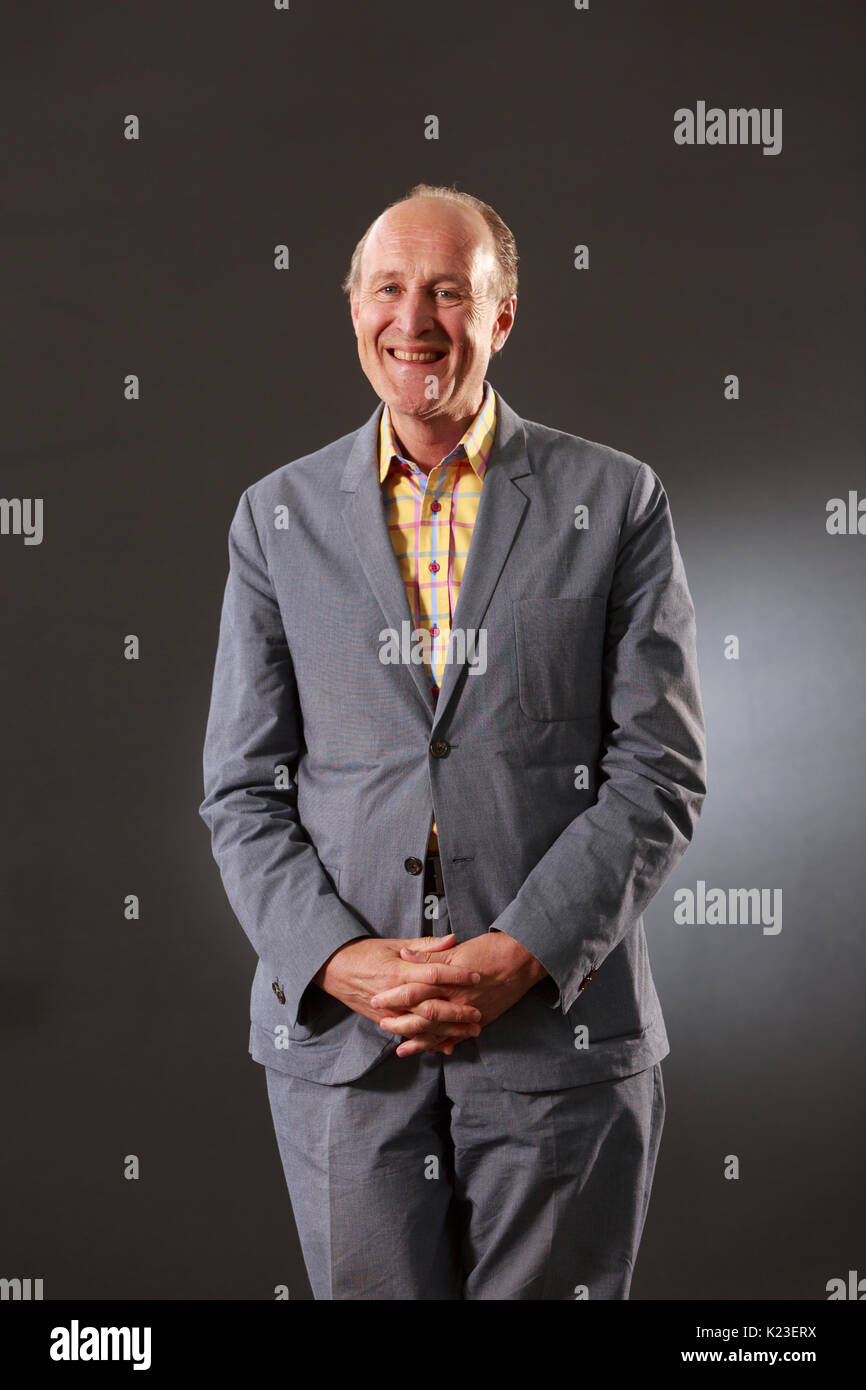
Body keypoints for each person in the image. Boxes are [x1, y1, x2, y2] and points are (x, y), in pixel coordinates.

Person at [199, 182, 707, 1300]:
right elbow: (240, 790)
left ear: (502, 314)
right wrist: (337, 960)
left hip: (558, 1042)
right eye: (388, 288)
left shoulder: (614, 500)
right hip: (343, 1050)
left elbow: (657, 768)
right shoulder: (272, 519)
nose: (413, 320)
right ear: (353, 309)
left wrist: (518, 952)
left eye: (446, 291)